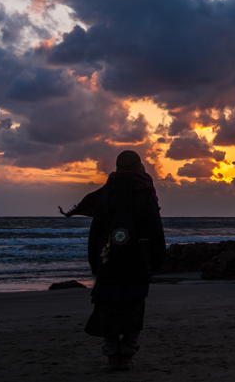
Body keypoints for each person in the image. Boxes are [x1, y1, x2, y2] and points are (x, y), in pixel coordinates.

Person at [61, 150, 166, 371]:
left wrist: (93, 261)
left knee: (107, 307)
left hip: (107, 260)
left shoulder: (106, 193)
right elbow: (155, 228)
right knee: (134, 308)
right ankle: (126, 355)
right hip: (137, 261)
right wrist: (158, 260)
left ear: (118, 167)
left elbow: (96, 229)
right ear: (139, 166)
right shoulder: (144, 190)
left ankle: (111, 355)